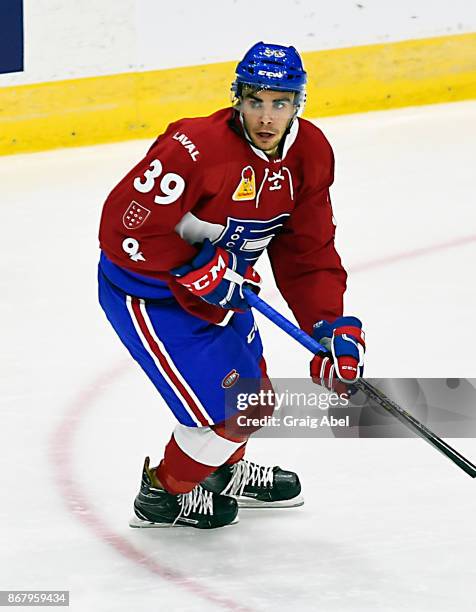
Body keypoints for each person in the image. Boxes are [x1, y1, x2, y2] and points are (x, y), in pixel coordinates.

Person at [98, 42, 365, 529]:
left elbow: (308, 253)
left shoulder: (309, 153)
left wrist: (329, 326)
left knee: (252, 392)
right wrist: (195, 269)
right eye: (255, 101)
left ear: (297, 104)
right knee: (236, 411)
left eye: (280, 103)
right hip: (150, 293)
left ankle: (222, 472)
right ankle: (164, 494)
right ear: (237, 98)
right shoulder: (194, 149)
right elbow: (124, 230)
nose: (267, 117)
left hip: (223, 286)